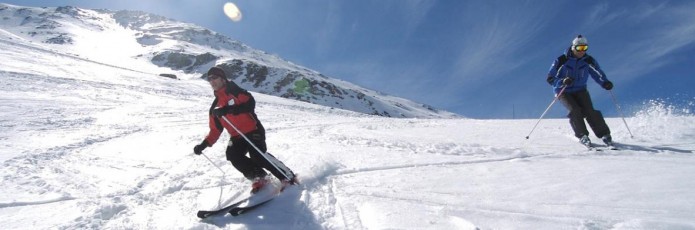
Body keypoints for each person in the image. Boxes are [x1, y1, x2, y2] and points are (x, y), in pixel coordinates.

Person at [193, 66, 297, 193]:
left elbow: (250, 104)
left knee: (257, 155)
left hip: (253, 130)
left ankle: (286, 175)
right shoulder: (215, 107)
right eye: (209, 79)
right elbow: (215, 130)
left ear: (223, 79)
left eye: (214, 77)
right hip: (237, 137)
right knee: (232, 154)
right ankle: (259, 177)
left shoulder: (235, 91)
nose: (212, 81)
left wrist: (229, 110)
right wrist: (203, 145)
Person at [546, 35, 614, 147]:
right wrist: (563, 81)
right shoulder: (562, 60)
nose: (582, 51)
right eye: (579, 48)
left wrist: (604, 82)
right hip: (563, 91)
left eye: (584, 48)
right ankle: (582, 135)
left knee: (589, 110)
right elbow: (550, 78)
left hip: (580, 90)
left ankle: (604, 134)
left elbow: (597, 73)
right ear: (573, 47)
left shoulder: (588, 60)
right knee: (575, 110)